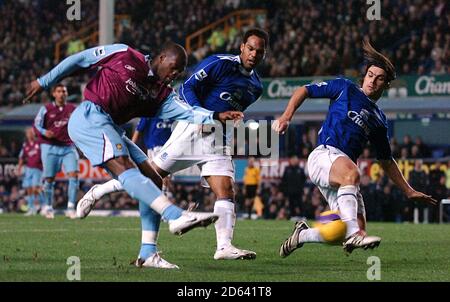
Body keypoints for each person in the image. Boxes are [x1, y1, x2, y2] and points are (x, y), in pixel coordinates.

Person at [23, 42, 243, 269]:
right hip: (90, 117)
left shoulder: (162, 94)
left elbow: (187, 111)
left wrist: (216, 115)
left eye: (180, 72)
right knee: (123, 165)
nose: (175, 75)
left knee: (154, 179)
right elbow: (80, 59)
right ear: (161, 58)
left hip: (111, 127)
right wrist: (44, 81)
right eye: (174, 68)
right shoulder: (125, 55)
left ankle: (148, 253)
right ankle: (175, 215)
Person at [76, 28, 269, 261]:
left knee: (226, 189)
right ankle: (99, 190)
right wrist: (202, 116)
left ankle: (224, 246)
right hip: (193, 130)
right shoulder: (219, 63)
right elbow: (187, 88)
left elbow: (235, 110)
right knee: (152, 175)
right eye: (250, 48)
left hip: (219, 137)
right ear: (241, 47)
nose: (254, 54)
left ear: (264, 54)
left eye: (259, 51)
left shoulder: (257, 87)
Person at [273, 40, 436, 257]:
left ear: (386, 85)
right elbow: (304, 90)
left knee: (345, 229)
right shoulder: (345, 88)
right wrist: (286, 116)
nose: (372, 81)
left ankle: (301, 235)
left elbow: (386, 160)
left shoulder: (379, 120)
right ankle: (352, 233)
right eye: (370, 75)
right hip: (324, 155)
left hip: (341, 171)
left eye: (379, 78)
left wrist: (408, 190)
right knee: (352, 181)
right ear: (365, 75)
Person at [34, 84, 79, 219]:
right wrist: (44, 131)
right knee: (49, 179)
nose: (61, 94)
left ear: (67, 93)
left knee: (74, 175)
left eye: (64, 91)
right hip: (49, 147)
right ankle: (48, 207)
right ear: (54, 94)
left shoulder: (73, 109)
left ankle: (71, 207)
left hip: (68, 147)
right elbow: (36, 125)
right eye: (59, 91)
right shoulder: (46, 109)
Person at [17, 127, 43, 216]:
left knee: (35, 188)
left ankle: (43, 205)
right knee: (29, 189)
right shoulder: (26, 145)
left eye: (31, 132)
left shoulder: (39, 143)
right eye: (28, 132)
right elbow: (21, 157)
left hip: (38, 169)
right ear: (26, 134)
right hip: (28, 169)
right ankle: (31, 208)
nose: (30, 134)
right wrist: (19, 168)